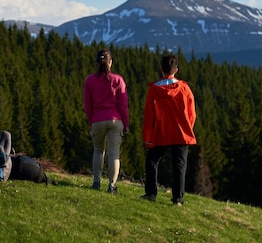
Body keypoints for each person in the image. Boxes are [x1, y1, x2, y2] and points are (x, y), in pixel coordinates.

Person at [141, 54, 196, 206]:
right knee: (179, 165)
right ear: (176, 70)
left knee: (152, 160)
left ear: (161, 69)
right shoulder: (184, 88)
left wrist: (148, 136)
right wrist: (188, 127)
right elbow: (192, 113)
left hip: (161, 131)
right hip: (180, 131)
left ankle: (151, 193)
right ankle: (177, 198)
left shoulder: (154, 89)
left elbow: (149, 116)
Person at [83, 49, 130, 194]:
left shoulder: (90, 80)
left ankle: (96, 182)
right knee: (114, 154)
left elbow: (87, 104)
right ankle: (112, 185)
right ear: (110, 62)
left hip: (98, 119)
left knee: (98, 151)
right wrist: (126, 124)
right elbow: (123, 105)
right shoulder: (118, 80)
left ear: (97, 62)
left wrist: (91, 120)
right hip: (115, 120)